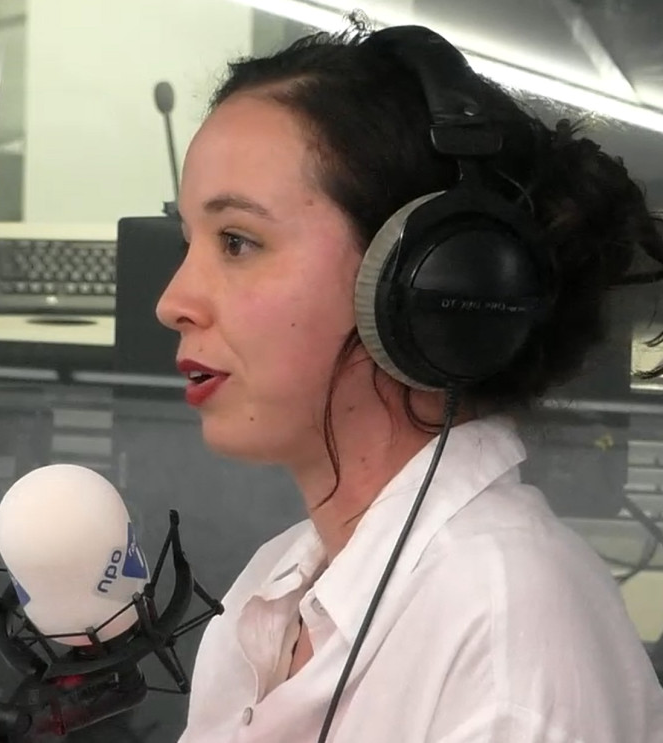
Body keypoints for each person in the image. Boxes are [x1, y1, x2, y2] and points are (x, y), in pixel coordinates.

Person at [155, 20, 663, 743]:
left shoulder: (504, 643)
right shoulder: (272, 593)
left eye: (237, 241)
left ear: (427, 282)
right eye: (189, 242)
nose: (172, 301)